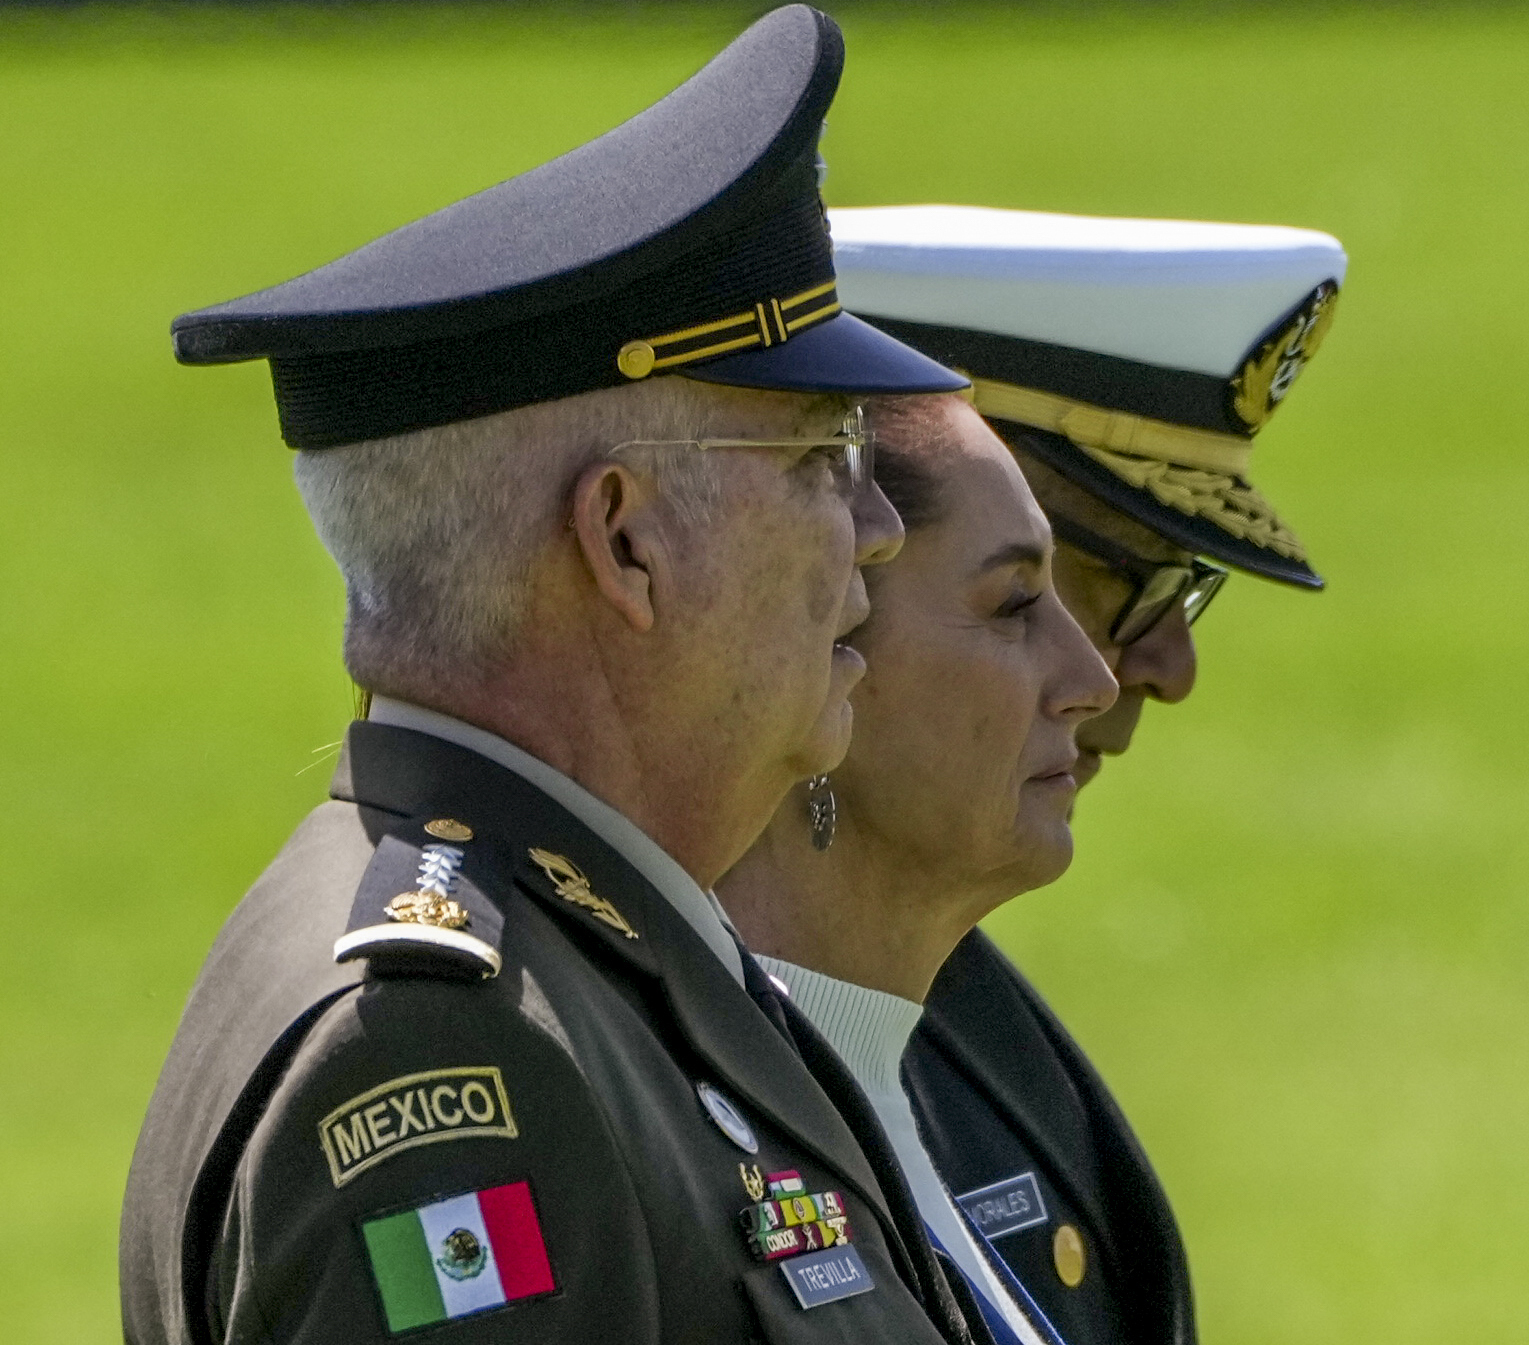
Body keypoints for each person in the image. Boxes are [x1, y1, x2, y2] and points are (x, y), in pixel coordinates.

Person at [118, 11, 984, 1345]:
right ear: (625, 537)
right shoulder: (444, 1053)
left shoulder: (585, 954)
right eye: (819, 458)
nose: (872, 528)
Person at [826, 205, 1347, 1345]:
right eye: (1033, 587)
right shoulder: (580, 1047)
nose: (1158, 669)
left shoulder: (960, 1026)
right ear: (835, 553)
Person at [717, 392, 1119, 1345]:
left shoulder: (887, 1085)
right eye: (1015, 604)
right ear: (820, 657)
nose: (1093, 681)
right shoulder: (688, 1125)